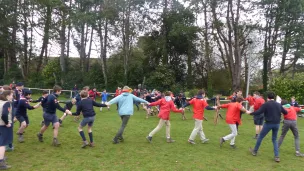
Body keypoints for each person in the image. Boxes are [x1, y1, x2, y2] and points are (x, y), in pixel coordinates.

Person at [248, 91, 288, 162]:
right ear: (274, 97)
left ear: (267, 98)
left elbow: (259, 111)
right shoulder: (278, 104)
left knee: (260, 137)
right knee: (274, 139)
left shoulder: (266, 104)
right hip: (277, 124)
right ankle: (277, 156)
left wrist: (251, 113)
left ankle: (254, 151)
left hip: (268, 123)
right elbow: (286, 112)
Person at [0, 90, 14, 169]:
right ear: (7, 96)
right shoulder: (6, 103)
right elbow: (4, 114)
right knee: (2, 144)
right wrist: (7, 123)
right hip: (3, 125)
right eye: (12, 95)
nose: (12, 97)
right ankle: (1, 162)